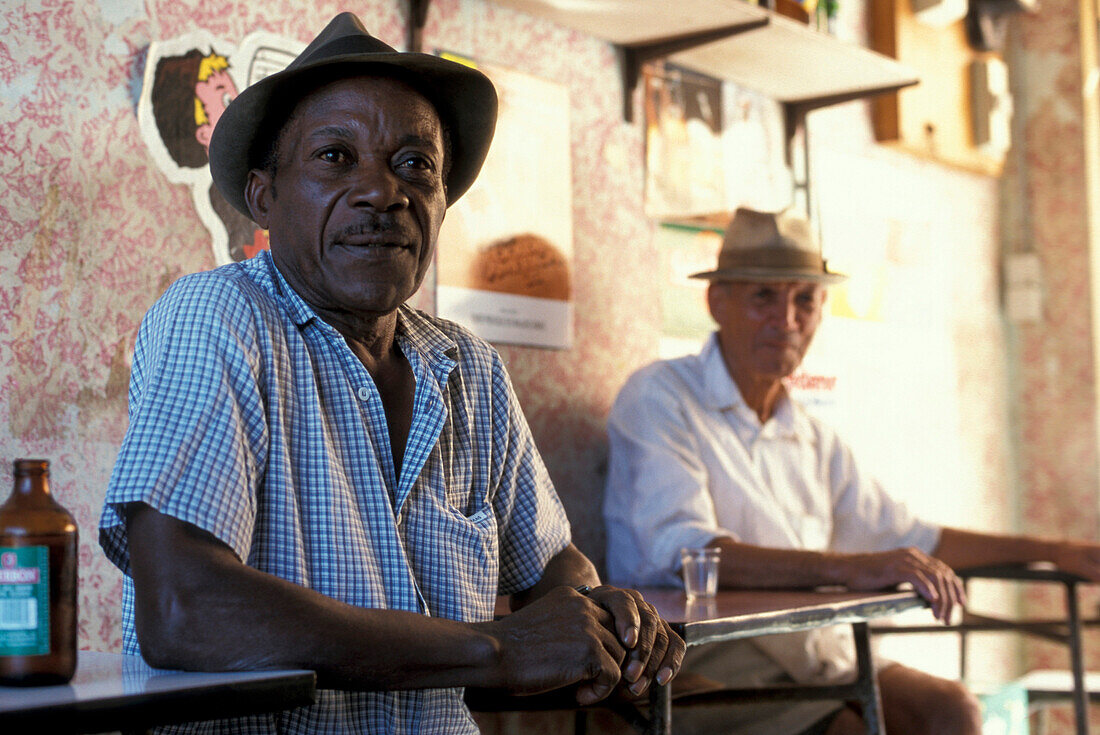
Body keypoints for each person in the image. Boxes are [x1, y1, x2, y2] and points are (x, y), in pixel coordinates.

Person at [99, 13, 683, 734]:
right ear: (263, 198)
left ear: (441, 202)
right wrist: (494, 648)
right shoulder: (218, 319)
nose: (383, 192)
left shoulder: (467, 367)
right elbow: (185, 609)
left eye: (415, 164)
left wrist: (600, 612)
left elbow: (553, 566)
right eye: (336, 158)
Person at [603, 206, 1100, 735]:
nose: (787, 320)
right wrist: (852, 567)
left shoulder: (813, 437)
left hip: (818, 654)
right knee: (848, 729)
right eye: (763, 297)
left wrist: (1054, 551)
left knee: (952, 709)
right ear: (716, 301)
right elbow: (689, 555)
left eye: (806, 300)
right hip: (703, 661)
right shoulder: (660, 398)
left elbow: (914, 540)